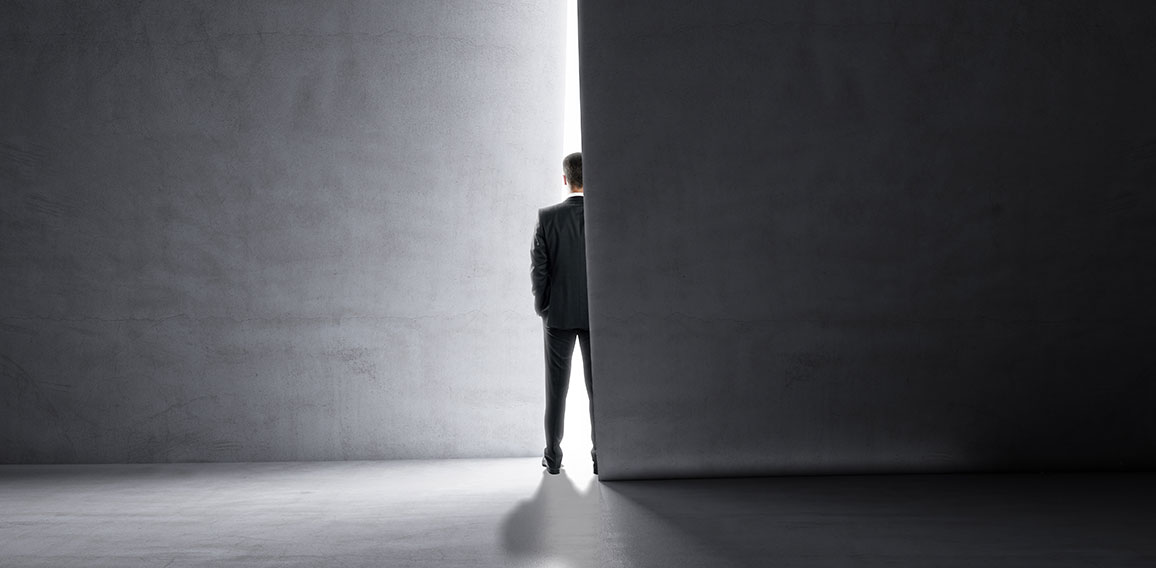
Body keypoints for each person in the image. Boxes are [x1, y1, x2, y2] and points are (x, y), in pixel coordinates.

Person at [531, 152, 595, 475]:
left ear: (565, 179)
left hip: (557, 315)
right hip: (596, 315)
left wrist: (544, 307)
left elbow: (538, 272)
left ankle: (553, 459)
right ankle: (602, 457)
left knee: (556, 390)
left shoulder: (547, 218)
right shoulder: (603, 215)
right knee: (597, 389)